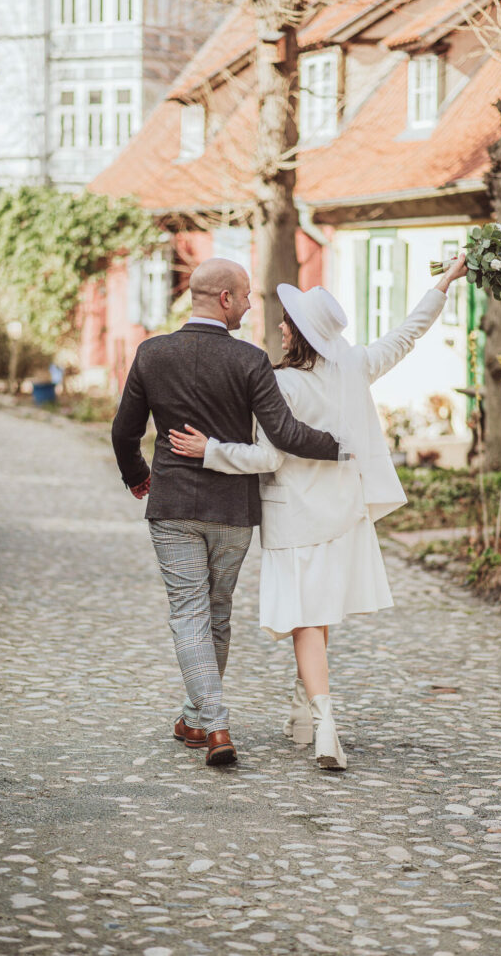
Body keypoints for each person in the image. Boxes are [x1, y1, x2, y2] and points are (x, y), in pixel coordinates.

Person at [169, 255, 468, 770]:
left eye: (288, 322)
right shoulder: (355, 366)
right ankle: (304, 712)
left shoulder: (282, 384)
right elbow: (407, 333)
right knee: (320, 614)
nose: (282, 327)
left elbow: (267, 457)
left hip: (295, 518)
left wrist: (211, 450)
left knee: (306, 620)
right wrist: (444, 283)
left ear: (301, 333)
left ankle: (327, 724)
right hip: (344, 516)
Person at [111, 258, 341, 767]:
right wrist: (342, 448)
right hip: (234, 511)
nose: (250, 304)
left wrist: (138, 476)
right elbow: (284, 434)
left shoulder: (152, 354)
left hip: (172, 506)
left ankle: (206, 720)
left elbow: (124, 431)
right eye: (246, 295)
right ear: (225, 300)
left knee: (190, 614)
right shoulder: (250, 360)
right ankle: (208, 723)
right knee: (214, 614)